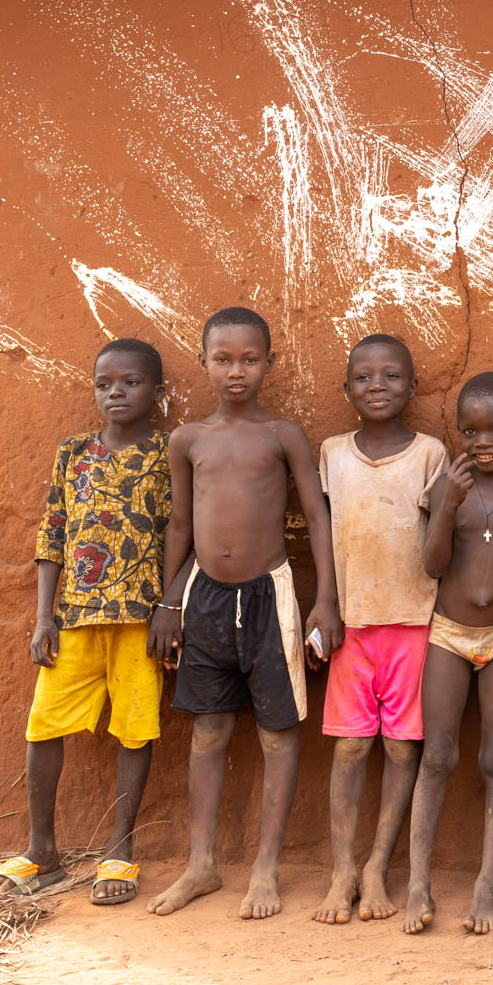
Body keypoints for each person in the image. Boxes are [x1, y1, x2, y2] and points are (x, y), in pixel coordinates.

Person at [145, 307, 342, 920]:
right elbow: (180, 524)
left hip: (269, 596)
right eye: (223, 359)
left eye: (250, 359)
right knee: (208, 730)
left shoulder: (283, 434)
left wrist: (326, 600)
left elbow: (316, 517)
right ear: (203, 362)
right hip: (203, 597)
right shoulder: (189, 439)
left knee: (278, 734)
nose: (237, 371)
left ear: (269, 363)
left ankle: (265, 867)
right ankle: (201, 864)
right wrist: (168, 599)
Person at [0, 339, 172, 906]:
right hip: (74, 618)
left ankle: (119, 848)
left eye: (132, 382)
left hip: (141, 618)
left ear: (158, 392)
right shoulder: (73, 453)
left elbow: (182, 532)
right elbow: (53, 534)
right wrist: (44, 616)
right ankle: (42, 849)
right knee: (44, 723)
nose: (116, 392)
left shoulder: (170, 453)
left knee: (135, 726)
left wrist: (173, 608)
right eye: (104, 384)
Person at [312, 335, 448, 926]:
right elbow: (323, 535)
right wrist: (326, 604)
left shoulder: (431, 453)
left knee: (400, 747)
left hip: (415, 621)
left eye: (391, 376)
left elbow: (443, 536)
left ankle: (377, 864)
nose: (377, 386)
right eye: (363, 377)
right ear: (346, 390)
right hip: (352, 623)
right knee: (350, 747)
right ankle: (343, 868)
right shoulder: (332, 452)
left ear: (413, 387)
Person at [403, 372, 493, 936]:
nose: (484, 441)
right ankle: (418, 883)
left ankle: (487, 883)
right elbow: (432, 566)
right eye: (471, 430)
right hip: (448, 634)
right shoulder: (447, 486)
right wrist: (449, 504)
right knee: (436, 756)